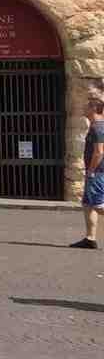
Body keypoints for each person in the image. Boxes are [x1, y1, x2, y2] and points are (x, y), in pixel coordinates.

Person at [75, 98, 104, 249]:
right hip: (95, 171)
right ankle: (90, 239)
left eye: (86, 107)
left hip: (97, 172)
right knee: (88, 204)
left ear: (93, 109)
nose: (84, 109)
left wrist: (91, 171)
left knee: (98, 205)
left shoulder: (98, 127)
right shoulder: (96, 126)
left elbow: (99, 152)